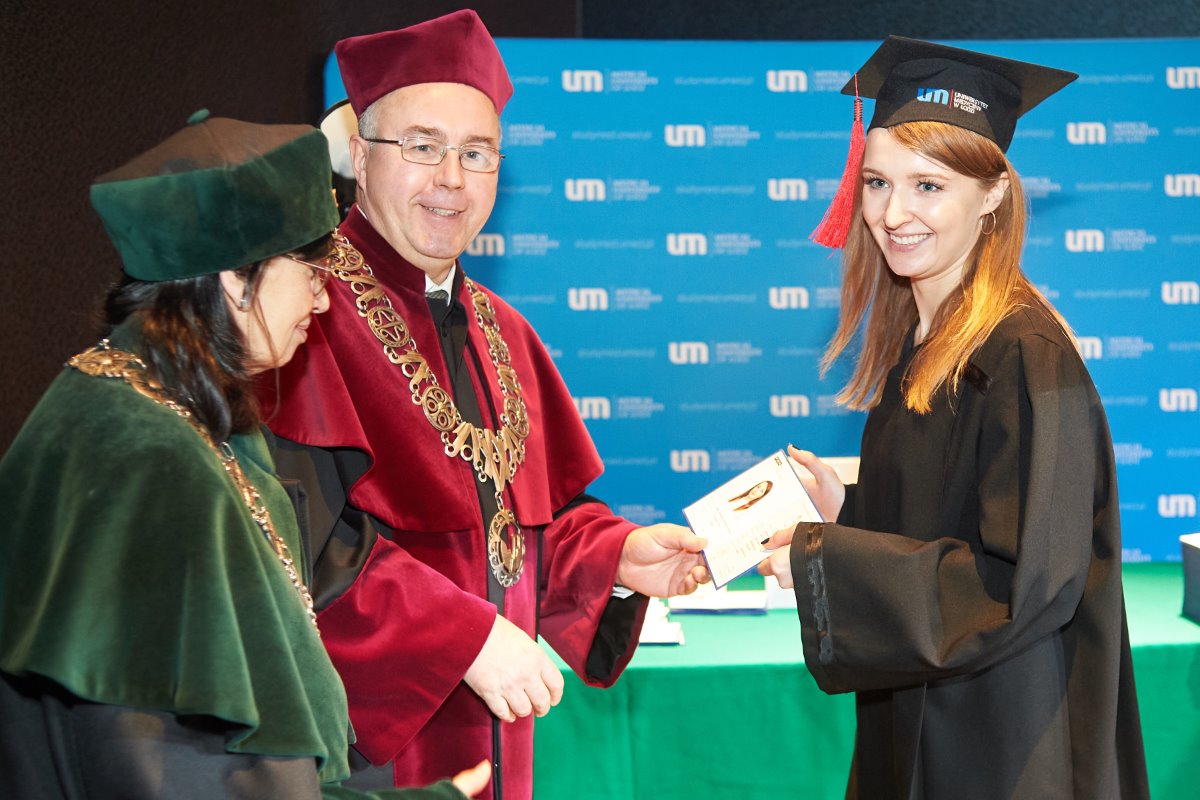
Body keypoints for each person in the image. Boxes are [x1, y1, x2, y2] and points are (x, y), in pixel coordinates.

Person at [260, 10, 709, 800]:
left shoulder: (506, 331)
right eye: (422, 147)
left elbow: (522, 528)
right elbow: (290, 550)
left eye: (476, 153)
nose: (452, 180)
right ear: (359, 156)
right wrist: (462, 636)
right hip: (362, 746)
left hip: (498, 733)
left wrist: (617, 559)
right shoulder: (302, 318)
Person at [0, 110, 489, 800]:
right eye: (313, 272)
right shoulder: (147, 464)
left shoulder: (148, 410)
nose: (323, 301)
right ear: (236, 277)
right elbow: (176, 772)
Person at [758, 36, 1150, 799]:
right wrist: (850, 513)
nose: (892, 213)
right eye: (877, 182)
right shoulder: (924, 341)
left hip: (1005, 748)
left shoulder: (1025, 356)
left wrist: (829, 565)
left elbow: (1020, 581)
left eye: (929, 186)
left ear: (993, 193)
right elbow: (949, 522)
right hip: (923, 721)